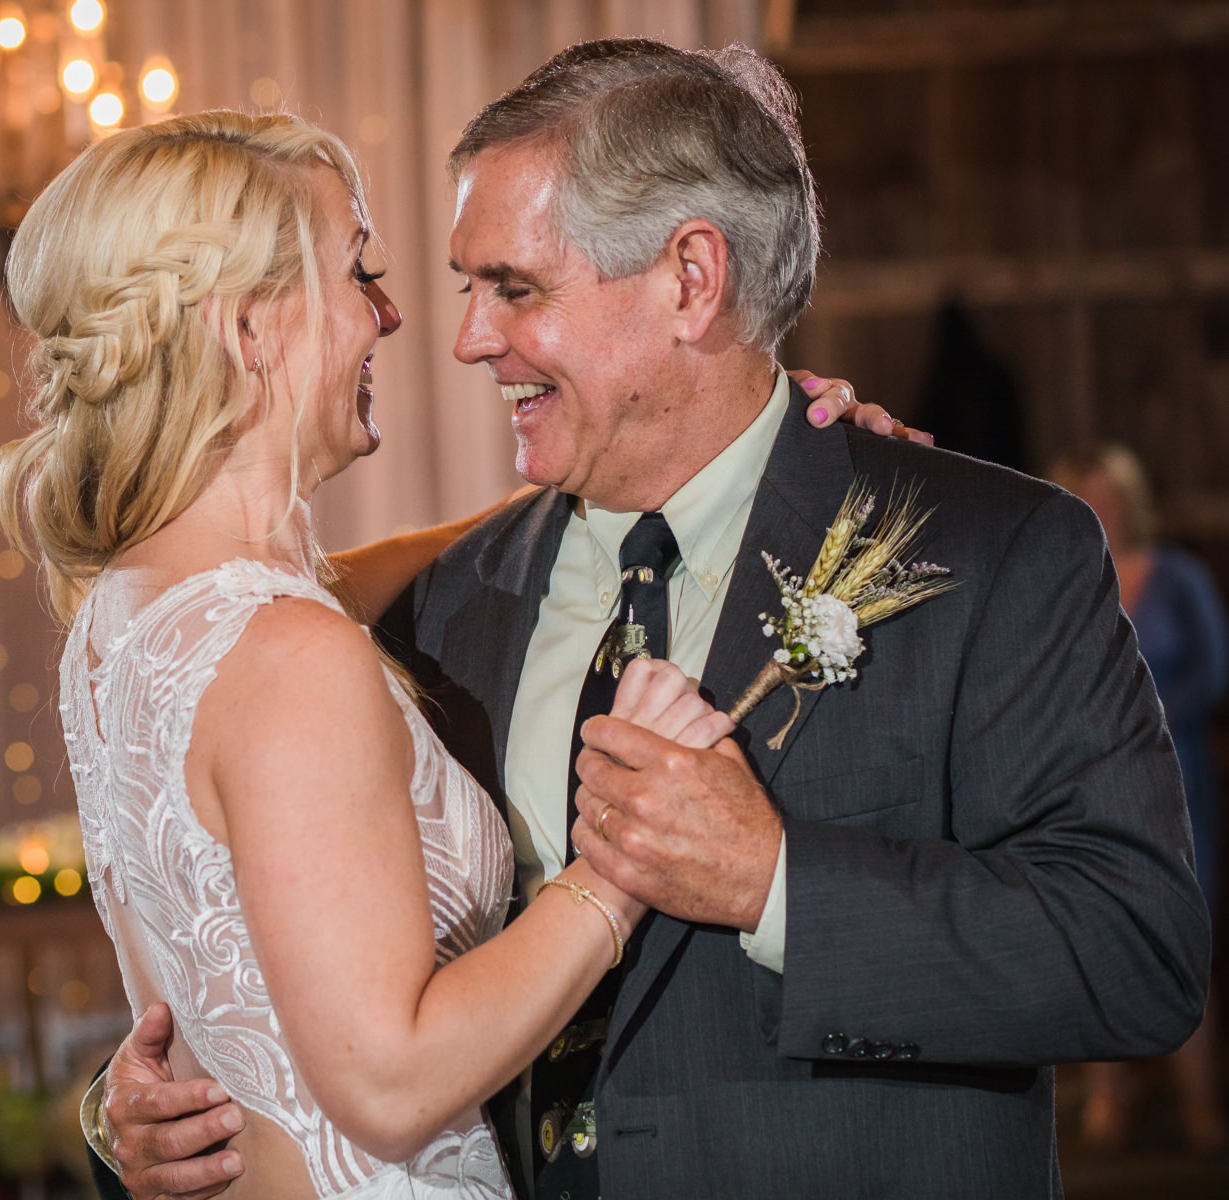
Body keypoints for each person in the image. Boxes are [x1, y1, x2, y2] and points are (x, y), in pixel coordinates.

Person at [94, 39, 1213, 1200]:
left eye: (514, 289)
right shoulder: (424, 614)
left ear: (691, 279)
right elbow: (283, 944)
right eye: (465, 284)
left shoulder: (987, 553)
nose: (469, 337)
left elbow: (1140, 954)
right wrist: (147, 1109)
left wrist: (774, 880)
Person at [1049, 442, 1227, 1155]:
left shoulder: (1178, 577)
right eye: (1090, 496)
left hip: (1176, 775)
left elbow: (1215, 670)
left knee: (1187, 930)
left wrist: (1142, 717)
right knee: (1095, 927)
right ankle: (1106, 1099)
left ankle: (1198, 1104)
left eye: (1113, 495)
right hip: (1083, 779)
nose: (1105, 509)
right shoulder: (1063, 573)